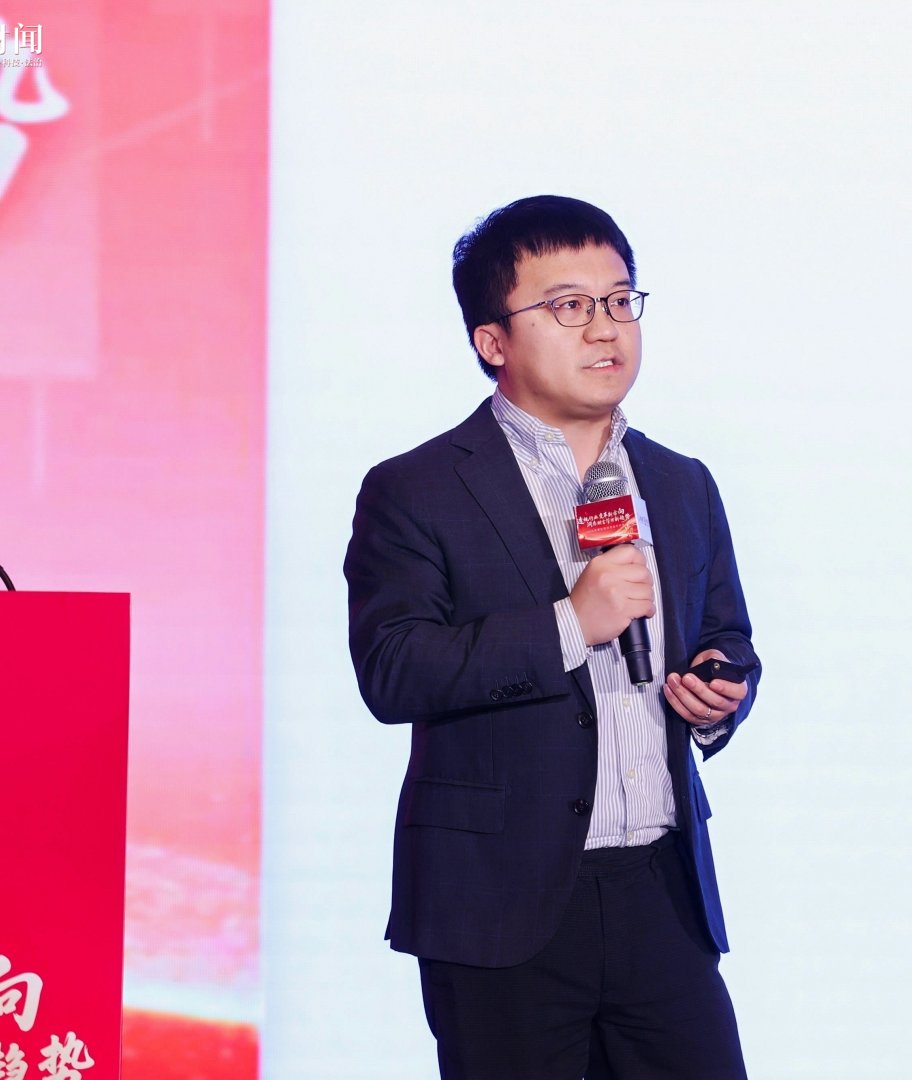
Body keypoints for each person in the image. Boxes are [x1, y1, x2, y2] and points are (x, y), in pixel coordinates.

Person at [345, 195, 760, 1079]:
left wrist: (718, 693)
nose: (604, 328)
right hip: (501, 905)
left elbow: (727, 635)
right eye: (568, 305)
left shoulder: (679, 482)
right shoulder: (417, 488)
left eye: (619, 300)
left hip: (662, 892)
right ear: (492, 340)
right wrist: (573, 623)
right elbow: (393, 669)